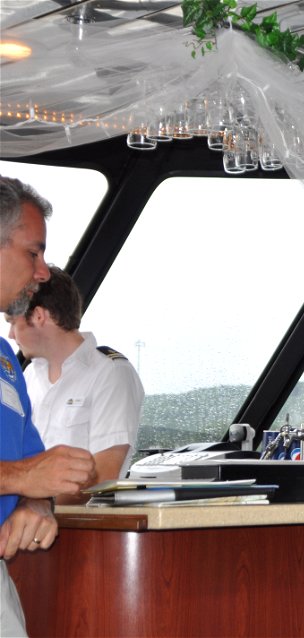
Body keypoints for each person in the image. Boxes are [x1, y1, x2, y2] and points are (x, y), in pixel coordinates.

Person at [0, 176, 97, 636]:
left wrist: (36, 503)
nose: (42, 272)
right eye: (32, 253)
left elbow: (33, 469)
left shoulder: (5, 363)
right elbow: (23, 472)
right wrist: (21, 480)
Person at [6, 266, 144, 498]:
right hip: (27, 525)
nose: (10, 335)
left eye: (13, 322)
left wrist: (35, 506)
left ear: (39, 316)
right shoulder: (28, 378)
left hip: (82, 529)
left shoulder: (110, 373)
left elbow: (103, 477)